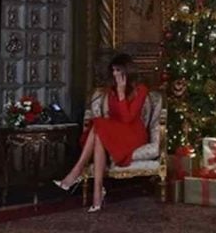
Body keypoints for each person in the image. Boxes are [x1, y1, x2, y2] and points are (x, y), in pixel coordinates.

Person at [54, 53, 148, 212]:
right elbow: (113, 116)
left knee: (98, 126)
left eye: (118, 70)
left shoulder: (141, 90)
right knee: (99, 133)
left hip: (133, 134)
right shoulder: (110, 90)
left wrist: (121, 92)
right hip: (116, 130)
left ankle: (76, 172)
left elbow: (127, 118)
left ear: (127, 71)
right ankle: (97, 193)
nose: (115, 74)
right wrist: (116, 92)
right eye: (113, 71)